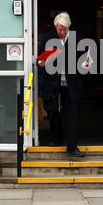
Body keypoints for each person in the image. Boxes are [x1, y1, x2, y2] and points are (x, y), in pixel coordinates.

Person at [37, 12, 90, 157]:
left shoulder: (76, 39)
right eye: (60, 29)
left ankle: (72, 147)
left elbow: (85, 59)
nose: (62, 32)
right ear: (56, 26)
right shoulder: (47, 37)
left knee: (71, 114)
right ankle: (58, 138)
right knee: (52, 111)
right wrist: (41, 63)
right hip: (51, 81)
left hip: (70, 82)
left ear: (69, 27)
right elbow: (40, 59)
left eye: (65, 29)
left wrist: (86, 64)